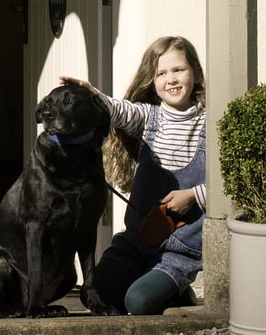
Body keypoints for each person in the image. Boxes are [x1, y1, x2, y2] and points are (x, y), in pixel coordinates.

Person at [62, 35, 206, 315]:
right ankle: (158, 287)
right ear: (152, 81)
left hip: (179, 252)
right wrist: (93, 94)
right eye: (162, 73)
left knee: (137, 303)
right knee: (95, 294)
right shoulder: (147, 118)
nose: (171, 79)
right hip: (137, 241)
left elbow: (228, 185)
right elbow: (118, 110)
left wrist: (193, 195)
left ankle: (174, 289)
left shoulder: (209, 123)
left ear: (195, 73)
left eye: (179, 70)